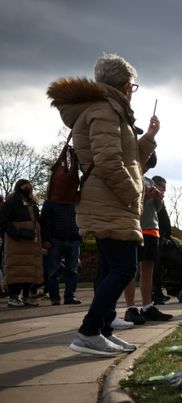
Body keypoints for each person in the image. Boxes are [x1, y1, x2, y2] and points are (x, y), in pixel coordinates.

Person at [48, 52, 159, 355]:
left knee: (110, 268)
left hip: (108, 198)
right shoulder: (105, 111)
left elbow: (129, 157)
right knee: (125, 269)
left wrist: (148, 137)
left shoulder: (109, 110)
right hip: (110, 199)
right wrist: (131, 195)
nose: (132, 92)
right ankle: (88, 330)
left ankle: (103, 330)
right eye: (133, 87)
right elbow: (109, 162)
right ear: (124, 86)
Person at [122, 175, 172, 324]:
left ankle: (147, 306)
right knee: (131, 269)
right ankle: (130, 308)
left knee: (148, 269)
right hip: (135, 227)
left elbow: (157, 208)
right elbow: (127, 200)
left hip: (152, 229)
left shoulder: (149, 180)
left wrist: (158, 198)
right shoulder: (129, 174)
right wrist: (144, 195)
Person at [0, 179, 44, 307]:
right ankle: (13, 296)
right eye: (26, 188)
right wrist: (17, 233)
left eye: (30, 188)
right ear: (19, 188)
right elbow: (3, 221)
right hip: (16, 243)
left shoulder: (33, 205)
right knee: (15, 269)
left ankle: (26, 296)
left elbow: (38, 222)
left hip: (31, 243)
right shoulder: (11, 203)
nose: (29, 190)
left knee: (30, 269)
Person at [40, 198, 81, 305]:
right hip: (55, 240)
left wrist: (80, 236)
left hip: (73, 239)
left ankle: (69, 296)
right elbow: (44, 222)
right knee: (53, 271)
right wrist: (45, 239)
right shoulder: (50, 202)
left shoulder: (75, 201)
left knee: (72, 270)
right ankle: (55, 298)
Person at [152, 176, 171, 304]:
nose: (164, 191)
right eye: (162, 187)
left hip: (160, 235)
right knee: (154, 267)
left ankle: (157, 292)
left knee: (158, 267)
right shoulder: (154, 199)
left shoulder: (158, 199)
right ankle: (155, 294)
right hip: (153, 234)